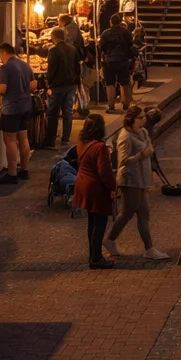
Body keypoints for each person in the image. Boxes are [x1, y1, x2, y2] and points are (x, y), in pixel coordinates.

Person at [105, 106, 169, 261]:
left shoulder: (144, 132)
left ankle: (149, 248)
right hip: (130, 178)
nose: (144, 119)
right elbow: (123, 161)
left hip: (142, 177)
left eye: (144, 116)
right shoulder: (125, 136)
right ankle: (110, 239)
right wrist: (142, 154)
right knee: (128, 212)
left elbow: (149, 147)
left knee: (144, 212)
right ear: (132, 119)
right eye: (140, 117)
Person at [73, 113, 118, 269]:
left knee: (91, 222)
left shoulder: (81, 143)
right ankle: (96, 258)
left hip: (82, 183)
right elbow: (104, 172)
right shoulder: (100, 147)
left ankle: (93, 255)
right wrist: (112, 187)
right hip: (95, 187)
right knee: (99, 223)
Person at [0, 42, 36, 184]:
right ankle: (24, 170)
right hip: (26, 106)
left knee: (10, 139)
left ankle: (12, 173)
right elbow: (33, 85)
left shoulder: (5, 68)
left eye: (0, 55)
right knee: (23, 138)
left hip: (11, 108)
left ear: (3, 52)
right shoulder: (25, 64)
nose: (0, 58)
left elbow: (2, 89)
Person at [41, 26, 82, 149]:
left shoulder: (54, 50)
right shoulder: (72, 49)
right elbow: (77, 67)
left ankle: (50, 140)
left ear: (54, 37)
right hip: (71, 84)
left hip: (58, 85)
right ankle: (65, 138)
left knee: (53, 113)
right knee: (67, 111)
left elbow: (51, 69)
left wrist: (49, 82)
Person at [98, 13, 135, 113]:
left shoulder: (105, 33)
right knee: (124, 83)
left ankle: (111, 105)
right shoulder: (126, 32)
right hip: (123, 61)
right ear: (120, 22)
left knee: (110, 83)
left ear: (110, 22)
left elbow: (101, 47)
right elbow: (130, 45)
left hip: (109, 61)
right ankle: (126, 104)